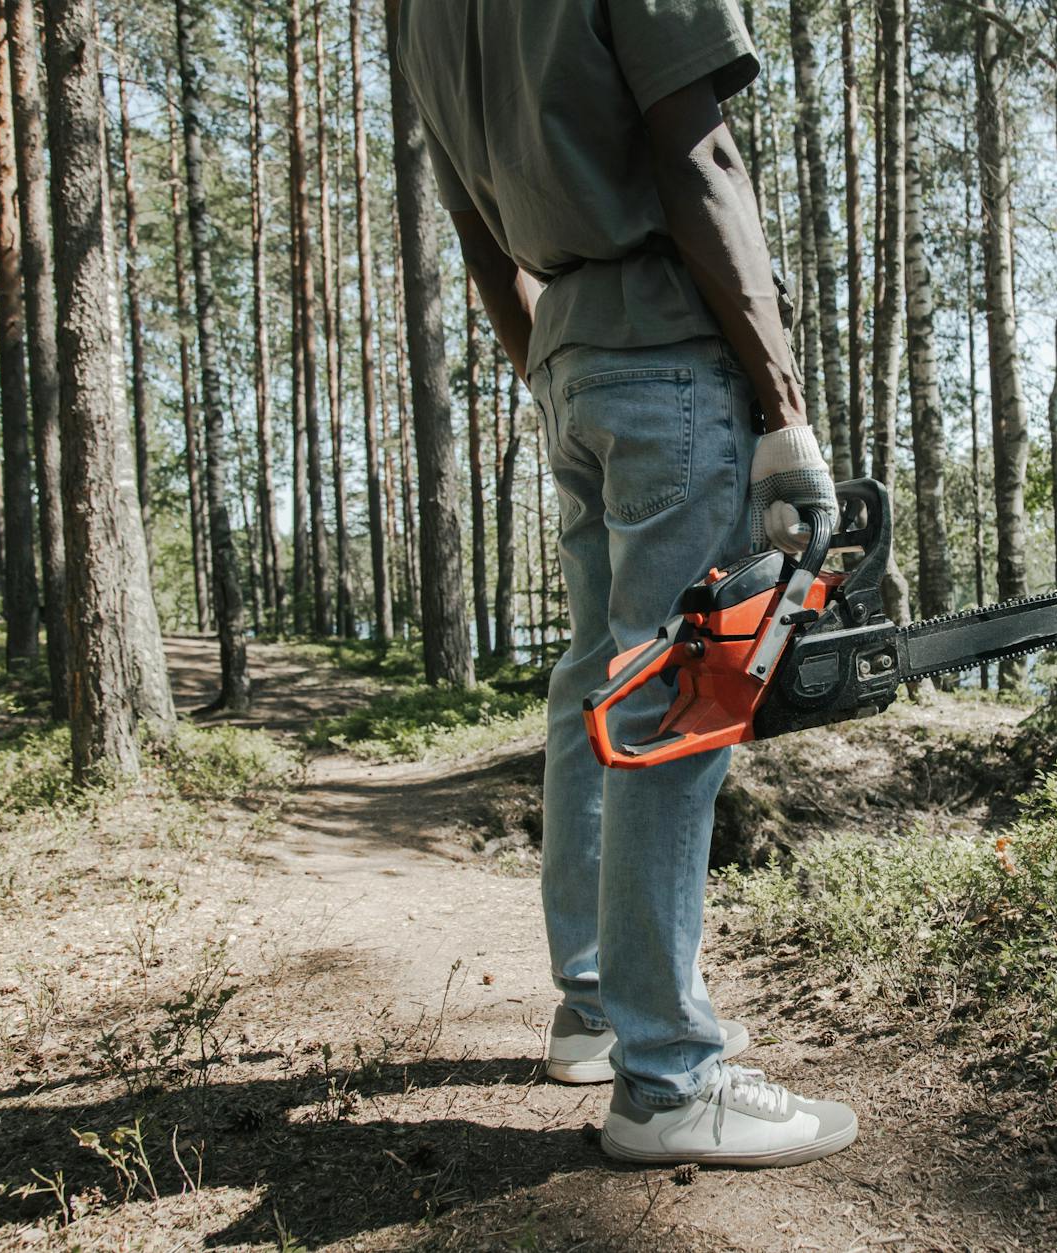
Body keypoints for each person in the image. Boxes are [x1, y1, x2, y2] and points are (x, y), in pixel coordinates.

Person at [393, 0, 857, 1167]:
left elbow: (477, 234)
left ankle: (599, 1007)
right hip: (669, 354)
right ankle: (667, 1078)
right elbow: (699, 154)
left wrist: (557, 374)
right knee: (670, 700)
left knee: (599, 684)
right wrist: (784, 407)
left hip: (571, 356)